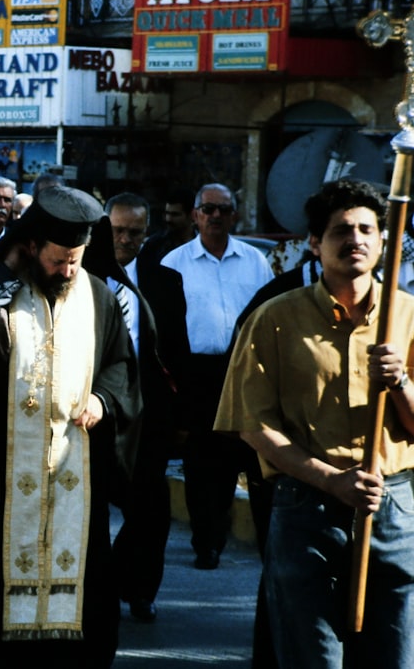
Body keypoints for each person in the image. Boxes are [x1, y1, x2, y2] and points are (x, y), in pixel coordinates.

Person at [0, 186, 140, 667]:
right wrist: (4, 271)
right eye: (57, 260)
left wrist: (102, 399)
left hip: (73, 477)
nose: (67, 271)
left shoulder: (99, 297)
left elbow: (122, 366)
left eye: (76, 259)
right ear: (31, 246)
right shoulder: (0, 290)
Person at [215, 178, 414, 668]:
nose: (357, 240)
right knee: (312, 657)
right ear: (313, 242)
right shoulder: (274, 319)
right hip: (307, 510)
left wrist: (402, 383)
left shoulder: (408, 315)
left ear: (384, 240)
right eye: (341, 230)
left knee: (395, 655)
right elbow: (252, 424)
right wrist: (331, 480)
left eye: (368, 229)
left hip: (394, 508)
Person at [160, 183, 273, 569]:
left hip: (245, 371)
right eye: (207, 209)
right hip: (197, 374)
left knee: (251, 457)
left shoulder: (256, 261)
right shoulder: (174, 262)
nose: (215, 217)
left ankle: (268, 544)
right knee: (203, 465)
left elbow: (267, 315)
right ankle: (206, 543)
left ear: (234, 216)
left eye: (223, 210)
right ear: (195, 215)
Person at [102, 192, 190, 623]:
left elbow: (178, 353)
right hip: (92, 413)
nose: (125, 239)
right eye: (117, 230)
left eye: (134, 232)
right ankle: (94, 589)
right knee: (92, 505)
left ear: (146, 232)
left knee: (150, 511)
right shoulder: (79, 276)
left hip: (149, 412)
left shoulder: (164, 281)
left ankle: (140, 590)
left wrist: (181, 419)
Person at [138, 186, 196, 272]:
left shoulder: (203, 244)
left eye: (175, 214)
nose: (168, 219)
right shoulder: (154, 245)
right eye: (167, 214)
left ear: (191, 215)